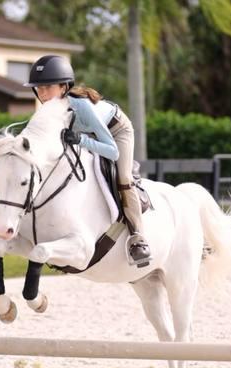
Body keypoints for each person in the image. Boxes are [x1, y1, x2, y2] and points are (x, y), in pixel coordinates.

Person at [24, 55, 151, 266]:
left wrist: (81, 140)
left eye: (47, 86)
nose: (42, 93)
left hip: (116, 131)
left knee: (123, 177)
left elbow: (112, 151)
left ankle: (138, 238)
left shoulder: (80, 106)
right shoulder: (47, 111)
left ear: (64, 86)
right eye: (38, 88)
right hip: (89, 136)